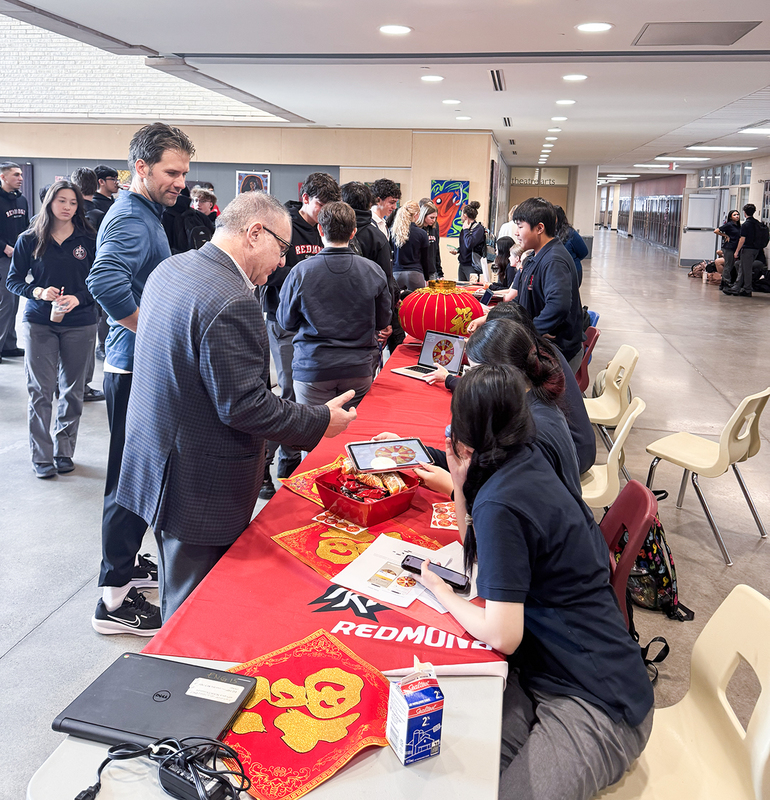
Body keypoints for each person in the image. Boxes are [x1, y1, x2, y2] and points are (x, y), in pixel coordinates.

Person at [416, 364, 654, 800]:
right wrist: (460, 481)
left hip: (599, 702)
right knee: (453, 772)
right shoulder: (522, 460)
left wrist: (441, 593)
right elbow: (477, 545)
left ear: (465, 435)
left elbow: (503, 634)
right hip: (547, 674)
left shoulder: (502, 501)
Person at [116, 191, 357, 621]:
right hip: (198, 482)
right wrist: (322, 420)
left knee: (180, 585)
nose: (283, 262)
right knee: (195, 608)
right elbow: (245, 407)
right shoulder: (232, 299)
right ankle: (175, 682)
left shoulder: (171, 268)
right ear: (254, 233)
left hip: (157, 463)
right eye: (282, 249)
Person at [87, 122, 196, 636]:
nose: (180, 182)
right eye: (171, 172)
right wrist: (148, 330)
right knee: (128, 481)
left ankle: (127, 569)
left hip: (135, 363)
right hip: (131, 366)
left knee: (138, 476)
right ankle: (112, 600)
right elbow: (103, 278)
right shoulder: (131, 217)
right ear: (141, 168)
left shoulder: (148, 214)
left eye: (183, 173)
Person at [434, 301, 595, 474]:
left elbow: (490, 482)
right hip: (575, 451)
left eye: (475, 372)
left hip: (573, 458)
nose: (473, 379)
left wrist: (453, 489)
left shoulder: (526, 430)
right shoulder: (539, 363)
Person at [6, 181, 98, 478]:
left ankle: (63, 451)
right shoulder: (29, 238)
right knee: (40, 392)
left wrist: (79, 298)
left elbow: (99, 281)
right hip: (39, 323)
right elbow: (14, 280)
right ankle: (41, 456)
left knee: (72, 391)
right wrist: (37, 292)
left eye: (73, 202)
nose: (67, 207)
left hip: (80, 323)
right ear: (49, 203)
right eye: (61, 201)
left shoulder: (89, 238)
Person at [260, 172, 341, 499]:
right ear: (305, 197)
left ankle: (290, 460)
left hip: (317, 323)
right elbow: (269, 271)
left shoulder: (325, 228)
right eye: (320, 204)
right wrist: (304, 275)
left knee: (309, 393)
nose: (323, 212)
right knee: (291, 392)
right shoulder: (284, 224)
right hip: (285, 320)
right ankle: (270, 465)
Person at [277, 201, 392, 408]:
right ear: (353, 232)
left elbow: (286, 322)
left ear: (320, 229)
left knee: (313, 434)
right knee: (351, 434)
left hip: (314, 368)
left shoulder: (300, 272)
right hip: (358, 368)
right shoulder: (373, 271)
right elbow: (383, 320)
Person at [512, 198, 584, 373]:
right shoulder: (535, 257)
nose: (516, 232)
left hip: (558, 354)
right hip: (543, 346)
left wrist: (532, 331)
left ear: (539, 228)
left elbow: (558, 306)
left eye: (520, 226)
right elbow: (522, 299)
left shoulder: (554, 259)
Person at [340, 181, 398, 357]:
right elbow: (386, 279)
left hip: (339, 313)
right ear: (371, 203)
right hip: (368, 313)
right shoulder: (377, 236)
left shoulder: (332, 233)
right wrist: (386, 318)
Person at [69, 167, 106, 402]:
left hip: (65, 288)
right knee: (87, 336)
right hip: (86, 288)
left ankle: (70, 385)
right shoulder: (99, 215)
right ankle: (82, 387)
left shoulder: (54, 217)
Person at [0, 161, 29, 363]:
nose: (20, 178)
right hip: (2, 257)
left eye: (20, 174)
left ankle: (9, 345)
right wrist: (4, 247)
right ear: (3, 177)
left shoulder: (22, 200)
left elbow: (26, 228)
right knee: (6, 303)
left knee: (15, 301)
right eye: (16, 175)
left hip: (17, 257)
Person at [391, 200, 431, 291]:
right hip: (415, 273)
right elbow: (425, 259)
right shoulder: (422, 233)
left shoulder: (393, 232)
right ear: (416, 214)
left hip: (396, 273)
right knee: (417, 304)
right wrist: (427, 278)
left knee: (396, 304)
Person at [725, 204, 760, 297]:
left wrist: (736, 251)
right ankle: (736, 287)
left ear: (744, 213)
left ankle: (747, 289)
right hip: (756, 249)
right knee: (742, 267)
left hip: (748, 249)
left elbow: (742, 239)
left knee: (746, 270)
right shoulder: (757, 223)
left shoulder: (746, 224)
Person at [449, 201, 486, 281]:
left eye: (461, 214)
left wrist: (466, 230)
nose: (461, 216)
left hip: (472, 266)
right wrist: (458, 250)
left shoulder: (478, 228)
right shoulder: (465, 228)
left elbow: (470, 243)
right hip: (462, 264)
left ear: (465, 216)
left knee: (471, 290)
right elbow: (465, 245)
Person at [554, 205, 588, 286]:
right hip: (556, 271)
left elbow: (584, 252)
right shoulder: (549, 232)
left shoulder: (570, 233)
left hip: (572, 271)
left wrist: (571, 260)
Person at [715, 209, 741, 289]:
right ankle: (726, 282)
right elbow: (716, 231)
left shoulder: (739, 226)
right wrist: (725, 236)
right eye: (734, 215)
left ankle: (725, 281)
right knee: (728, 265)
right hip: (729, 247)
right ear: (731, 217)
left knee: (731, 264)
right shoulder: (729, 225)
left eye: (738, 214)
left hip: (735, 247)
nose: (737, 216)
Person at [417, 199, 442, 280]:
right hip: (419, 270)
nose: (434, 220)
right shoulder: (417, 229)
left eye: (435, 218)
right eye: (431, 217)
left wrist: (440, 272)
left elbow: (436, 249)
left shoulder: (434, 227)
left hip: (432, 270)